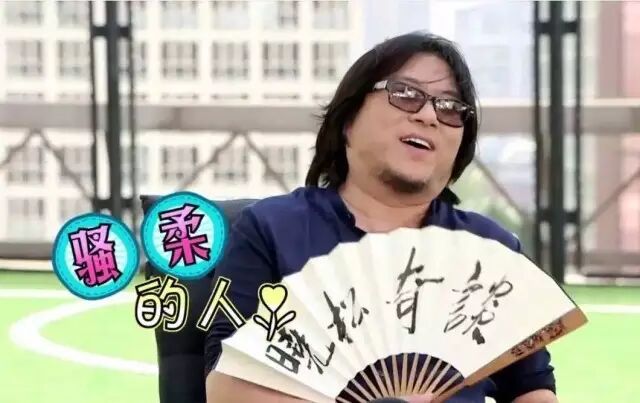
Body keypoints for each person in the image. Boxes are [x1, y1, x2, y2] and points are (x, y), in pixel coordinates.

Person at [204, 32, 558, 403]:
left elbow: (532, 388)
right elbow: (226, 387)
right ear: (348, 120)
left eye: (450, 107)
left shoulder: (492, 251)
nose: (428, 116)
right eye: (405, 93)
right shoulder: (270, 230)